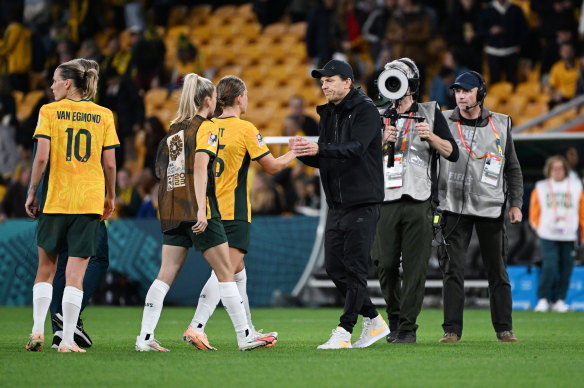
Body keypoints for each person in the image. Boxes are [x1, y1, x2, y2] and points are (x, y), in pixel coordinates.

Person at [135, 73, 277, 352]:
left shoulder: (175, 129)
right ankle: (244, 335)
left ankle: (145, 338)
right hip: (200, 209)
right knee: (227, 273)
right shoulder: (207, 128)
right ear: (209, 100)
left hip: (173, 208)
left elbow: (166, 172)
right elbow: (201, 168)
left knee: (164, 274)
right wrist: (201, 209)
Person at [186, 75, 296, 350]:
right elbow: (271, 167)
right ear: (239, 98)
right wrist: (294, 153)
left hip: (209, 208)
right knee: (224, 272)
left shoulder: (207, 127)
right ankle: (198, 327)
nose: (247, 100)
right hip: (233, 213)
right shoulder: (246, 129)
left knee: (237, 272)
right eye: (245, 95)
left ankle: (247, 327)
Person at [289, 59, 389, 349]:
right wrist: (303, 154)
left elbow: (356, 148)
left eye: (330, 79)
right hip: (337, 203)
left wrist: (319, 148)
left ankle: (345, 331)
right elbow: (327, 155)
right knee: (334, 267)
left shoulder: (367, 110)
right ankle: (373, 320)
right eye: (322, 80)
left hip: (363, 200)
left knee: (356, 268)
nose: (324, 84)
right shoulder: (328, 113)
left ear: (348, 82)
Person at [24, 58, 118, 353]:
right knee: (75, 276)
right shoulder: (103, 114)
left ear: (67, 83)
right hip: (88, 202)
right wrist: (110, 196)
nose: (51, 85)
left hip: (56, 199)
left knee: (46, 270)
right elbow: (111, 164)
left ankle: (38, 331)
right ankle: (65, 340)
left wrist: (31, 192)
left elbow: (41, 158)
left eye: (54, 80)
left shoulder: (49, 111)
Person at [371, 58, 459, 344]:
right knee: (384, 264)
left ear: (412, 84)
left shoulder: (431, 112)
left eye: (400, 80)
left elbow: (452, 152)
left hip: (420, 198)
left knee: (415, 267)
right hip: (386, 198)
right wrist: (382, 141)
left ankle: (407, 327)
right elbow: (363, 157)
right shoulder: (378, 115)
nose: (395, 86)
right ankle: (394, 316)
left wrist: (430, 135)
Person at [437, 71, 523, 343]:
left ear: (480, 93)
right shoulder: (443, 121)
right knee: (453, 270)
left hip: (490, 208)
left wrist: (516, 203)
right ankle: (451, 331)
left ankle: (504, 329)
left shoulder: (501, 123)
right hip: (453, 206)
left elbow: (512, 168)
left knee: (497, 271)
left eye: (467, 90)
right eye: (457, 91)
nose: (460, 95)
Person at [529, 155, 584, 313]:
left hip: (568, 234)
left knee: (567, 267)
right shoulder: (541, 186)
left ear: (565, 170)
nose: (557, 171)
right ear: (549, 170)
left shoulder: (575, 186)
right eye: (554, 168)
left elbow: (582, 212)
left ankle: (560, 300)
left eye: (560, 168)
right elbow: (534, 211)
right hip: (547, 233)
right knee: (550, 266)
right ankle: (543, 299)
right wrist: (538, 227)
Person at [476, 0, 528, 86]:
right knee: (495, 82)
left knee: (512, 82)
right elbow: (479, 30)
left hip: (511, 51)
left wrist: (519, 44)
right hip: (493, 51)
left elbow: (524, 29)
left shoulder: (515, 9)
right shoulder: (487, 10)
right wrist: (490, 31)